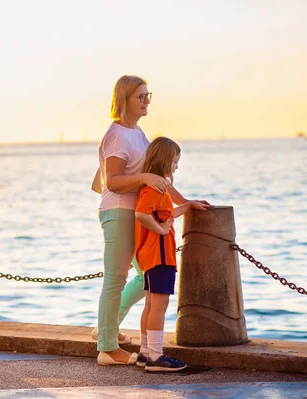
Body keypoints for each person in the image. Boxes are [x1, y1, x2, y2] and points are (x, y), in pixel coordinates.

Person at [93, 75, 210, 366]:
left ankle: (107, 329)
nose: (147, 101)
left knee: (146, 279)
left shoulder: (138, 133)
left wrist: (184, 202)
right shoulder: (117, 134)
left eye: (148, 96)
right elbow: (112, 182)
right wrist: (144, 178)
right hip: (120, 211)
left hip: (136, 215)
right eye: (141, 97)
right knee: (115, 280)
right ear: (124, 100)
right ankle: (107, 348)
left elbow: (158, 177)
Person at [134, 137, 207, 371]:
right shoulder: (156, 189)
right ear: (166, 160)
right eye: (175, 161)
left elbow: (164, 214)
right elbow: (141, 214)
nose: (177, 166)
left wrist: (188, 205)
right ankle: (156, 356)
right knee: (160, 304)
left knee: (150, 303)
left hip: (150, 256)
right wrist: (160, 230)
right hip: (160, 255)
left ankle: (145, 352)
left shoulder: (156, 188)